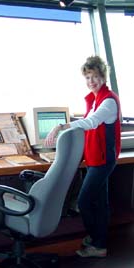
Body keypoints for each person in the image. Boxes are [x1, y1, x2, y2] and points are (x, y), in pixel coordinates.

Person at [44, 55, 121, 258]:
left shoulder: (109, 101)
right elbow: (88, 118)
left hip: (104, 158)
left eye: (95, 76)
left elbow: (92, 122)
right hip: (97, 156)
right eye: (87, 77)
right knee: (100, 202)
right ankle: (100, 243)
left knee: (84, 201)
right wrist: (71, 122)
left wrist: (62, 126)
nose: (91, 81)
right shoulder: (97, 100)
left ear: (103, 77)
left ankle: (95, 238)